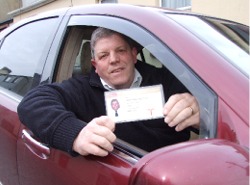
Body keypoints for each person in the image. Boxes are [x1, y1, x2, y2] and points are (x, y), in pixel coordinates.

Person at [17, 27, 200, 157]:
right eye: (104, 55)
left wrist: (200, 113)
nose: (113, 60)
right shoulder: (81, 89)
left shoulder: (165, 80)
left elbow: (213, 113)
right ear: (95, 65)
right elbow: (32, 102)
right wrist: (75, 134)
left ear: (133, 54)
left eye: (120, 50)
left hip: (176, 169)